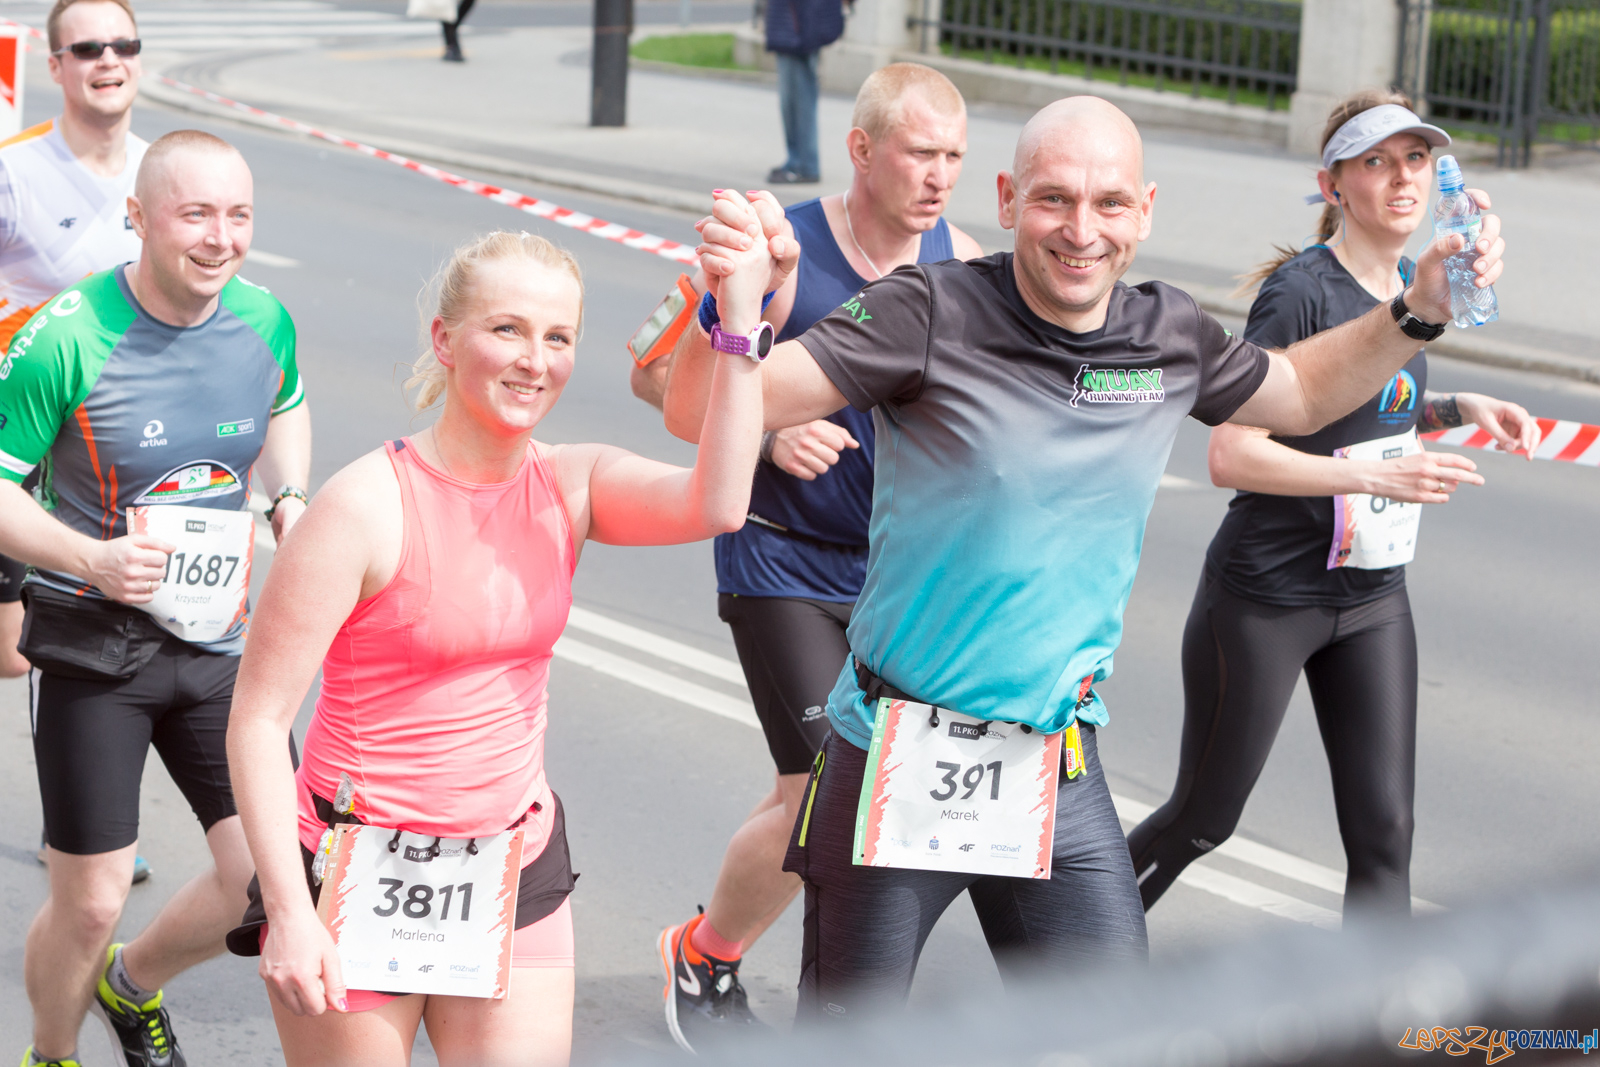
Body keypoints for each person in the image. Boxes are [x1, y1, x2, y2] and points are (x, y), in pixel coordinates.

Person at [668, 94, 1506, 1019]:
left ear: (1144, 211)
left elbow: (1302, 391)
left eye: (1109, 203)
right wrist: (733, 302)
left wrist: (1418, 310)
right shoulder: (929, 309)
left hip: (1055, 764)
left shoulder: (1167, 334)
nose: (1081, 230)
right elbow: (699, 410)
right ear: (1007, 198)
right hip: (900, 759)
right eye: (1053, 199)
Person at [223, 228, 763, 1065]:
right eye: (507, 329)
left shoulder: (571, 483)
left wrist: (740, 317)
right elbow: (258, 722)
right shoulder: (363, 506)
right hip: (361, 867)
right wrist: (291, 914)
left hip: (512, 865)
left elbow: (719, 502)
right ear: (445, 339)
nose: (534, 361)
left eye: (558, 337)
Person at [635, 63, 982, 1052]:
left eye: (955, 156)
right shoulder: (773, 243)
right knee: (831, 785)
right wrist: (767, 427)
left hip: (896, 575)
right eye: (920, 152)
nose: (939, 176)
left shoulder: (964, 265)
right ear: (862, 149)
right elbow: (654, 374)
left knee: (825, 790)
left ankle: (716, 948)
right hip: (779, 558)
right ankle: (715, 959)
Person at [1125, 92, 1538, 918]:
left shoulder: (1413, 286)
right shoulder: (1300, 291)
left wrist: (1458, 408)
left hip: (1373, 595)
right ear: (1333, 185)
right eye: (1375, 162)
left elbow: (1367, 412)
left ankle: (1380, 1004)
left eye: (1416, 158)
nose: (1402, 178)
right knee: (1204, 818)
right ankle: (1072, 948)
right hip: (1268, 596)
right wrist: (1377, 481)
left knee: (1386, 834)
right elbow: (1233, 452)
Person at [0, 129, 311, 1067]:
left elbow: (285, 404)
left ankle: (130, 985)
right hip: (95, 648)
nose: (222, 238)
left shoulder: (264, 319)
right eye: (196, 214)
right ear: (138, 217)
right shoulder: (66, 336)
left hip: (221, 647)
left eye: (239, 215)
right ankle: (52, 1051)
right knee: (93, 899)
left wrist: (289, 496)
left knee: (275, 876)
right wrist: (91, 559)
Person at [0, 0, 147, 691]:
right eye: (88, 49)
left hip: (127, 437)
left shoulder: (161, 172)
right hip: (27, 433)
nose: (108, 60)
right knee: (11, 652)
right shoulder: (14, 171)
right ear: (56, 66)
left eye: (124, 45)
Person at [763, 0, 844, 183]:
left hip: (798, 31)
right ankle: (798, 162)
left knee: (799, 102)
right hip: (794, 28)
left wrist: (806, 33)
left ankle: (804, 165)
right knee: (792, 103)